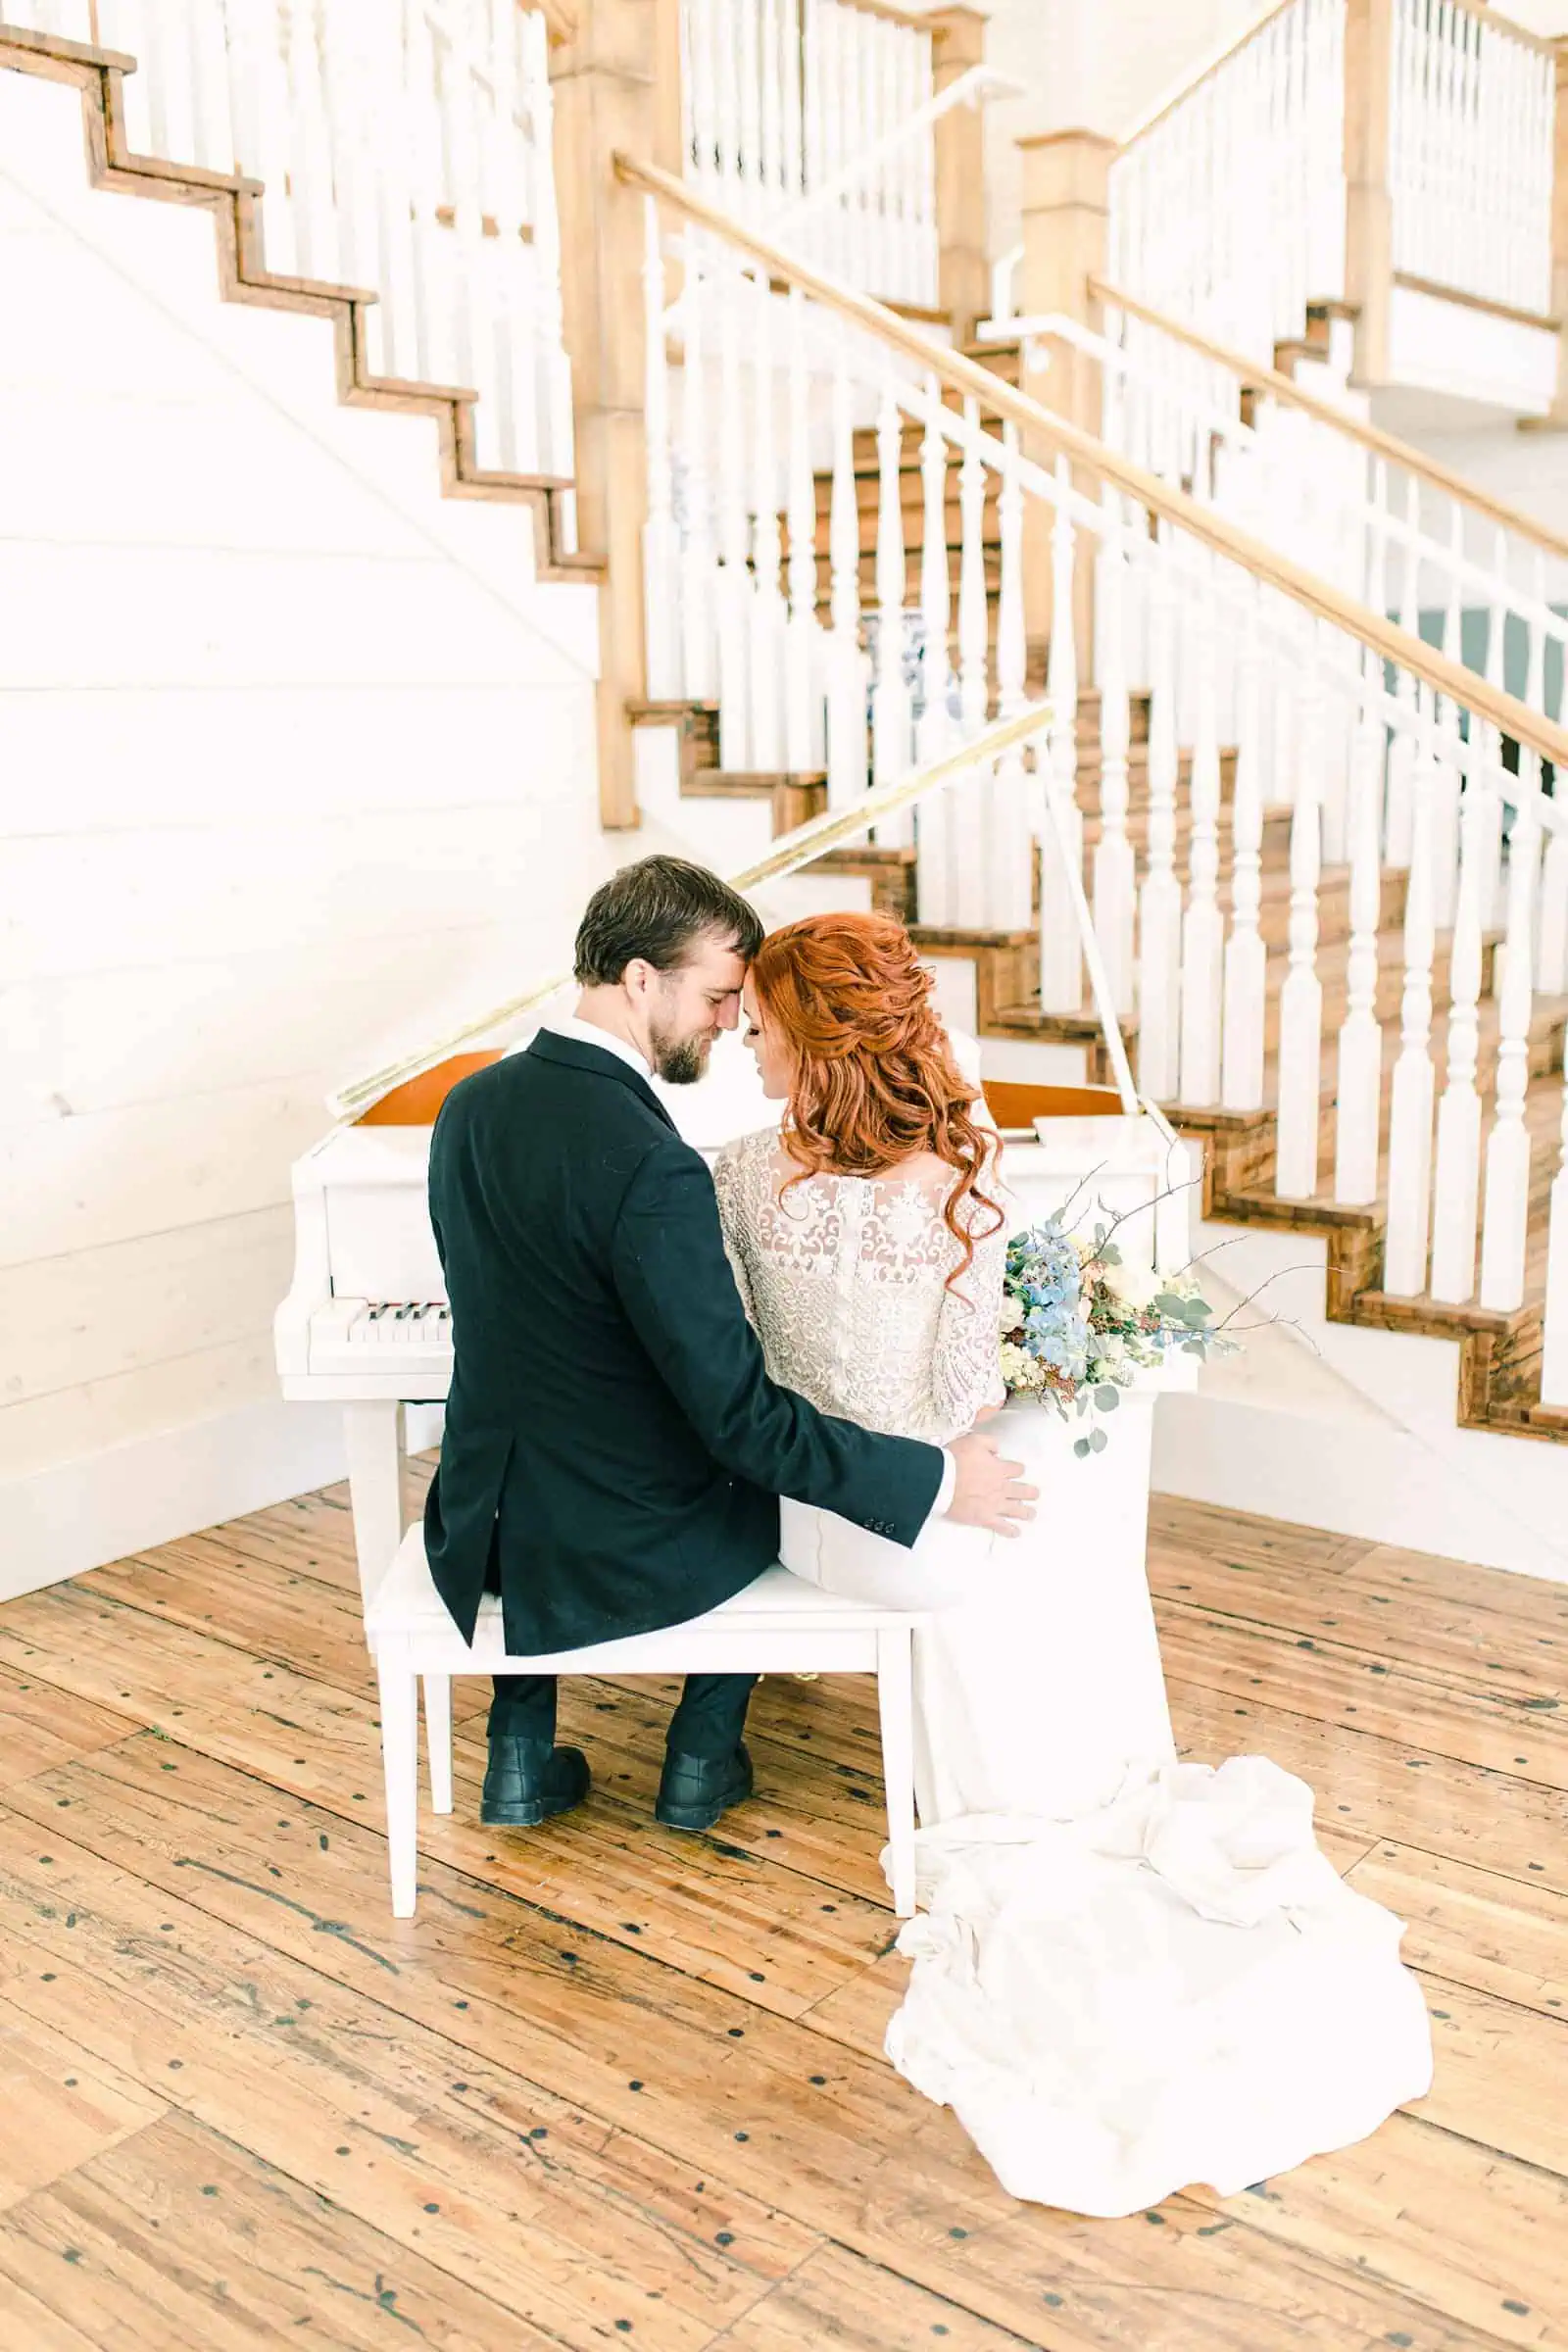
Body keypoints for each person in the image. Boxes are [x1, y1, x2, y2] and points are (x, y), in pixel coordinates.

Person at [714, 907, 1433, 2218]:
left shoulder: (736, 1176)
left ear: (813, 1042)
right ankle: (1088, 1780)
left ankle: (1043, 1779)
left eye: (759, 1027)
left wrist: (895, 1450)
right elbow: (958, 1396)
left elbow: (748, 1370)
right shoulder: (954, 1186)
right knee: (1058, 1483)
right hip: (910, 1519)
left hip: (809, 1507)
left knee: (1028, 1488)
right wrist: (957, 1451)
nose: (745, 1045)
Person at [422, 857, 1037, 1840]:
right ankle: (702, 1751)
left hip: (484, 1521)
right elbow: (739, 1417)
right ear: (636, 979)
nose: (726, 1024)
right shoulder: (654, 1162)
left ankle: (520, 1748)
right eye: (716, 997)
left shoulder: (469, 1106)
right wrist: (927, 1481)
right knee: (743, 1452)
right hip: (623, 1546)